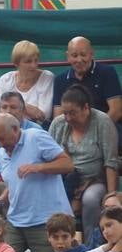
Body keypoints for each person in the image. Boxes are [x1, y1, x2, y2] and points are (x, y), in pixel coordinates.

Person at [0, 112, 74, 252]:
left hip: (45, 221)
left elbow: (67, 164)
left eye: (1, 138)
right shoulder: (2, 153)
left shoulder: (36, 137)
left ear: (15, 129)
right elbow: (15, 184)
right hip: (15, 221)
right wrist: (1, 201)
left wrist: (38, 167)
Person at [50, 83, 118, 234]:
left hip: (94, 180)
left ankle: (90, 244)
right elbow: (48, 154)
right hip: (64, 180)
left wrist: (111, 195)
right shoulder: (58, 123)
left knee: (91, 199)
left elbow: (111, 160)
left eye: (72, 113)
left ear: (86, 108)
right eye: (65, 113)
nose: (67, 118)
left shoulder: (102, 122)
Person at [53, 36, 122, 121]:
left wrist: (96, 131)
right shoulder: (60, 80)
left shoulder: (107, 72)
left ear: (91, 54)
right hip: (73, 130)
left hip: (105, 128)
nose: (79, 60)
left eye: (83, 54)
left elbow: (116, 111)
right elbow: (58, 117)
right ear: (68, 56)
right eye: (74, 55)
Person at [0, 91, 39, 177]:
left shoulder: (36, 131)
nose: (8, 111)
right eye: (4, 107)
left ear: (23, 111)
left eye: (13, 107)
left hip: (29, 177)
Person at [0, 39, 56, 125]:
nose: (34, 65)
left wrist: (10, 107)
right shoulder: (5, 80)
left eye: (36, 60)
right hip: (5, 126)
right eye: (28, 61)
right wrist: (26, 108)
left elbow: (44, 115)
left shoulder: (47, 77)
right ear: (16, 64)